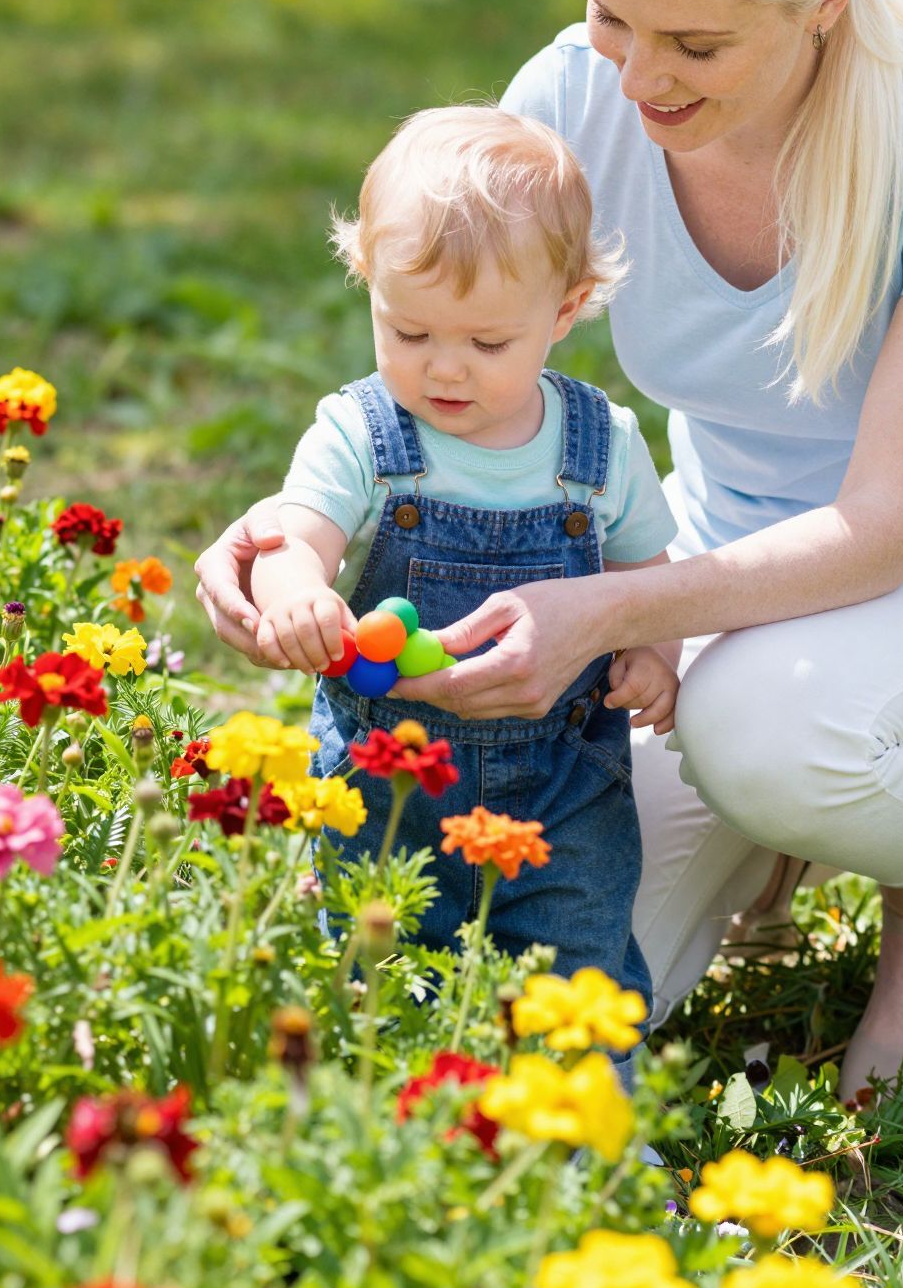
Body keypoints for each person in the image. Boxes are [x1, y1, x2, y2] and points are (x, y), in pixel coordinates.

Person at [197, 0, 903, 1101]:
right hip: (712, 589)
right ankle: (779, 818)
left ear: (826, 0)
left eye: (696, 42)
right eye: (610, 16)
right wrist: (290, 528)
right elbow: (468, 370)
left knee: (765, 731)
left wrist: (609, 616)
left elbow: (880, 533)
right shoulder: (573, 101)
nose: (637, 79)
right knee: (548, 981)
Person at [245, 104, 680, 1006]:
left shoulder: (600, 446)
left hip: (563, 785)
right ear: (368, 281)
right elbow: (299, 532)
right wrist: (294, 590)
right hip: (383, 774)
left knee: (578, 958)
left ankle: (589, 1133)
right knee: (370, 965)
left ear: (563, 313)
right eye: (410, 333)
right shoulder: (360, 431)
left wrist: (653, 651)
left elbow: (647, 575)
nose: (445, 370)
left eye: (488, 344)